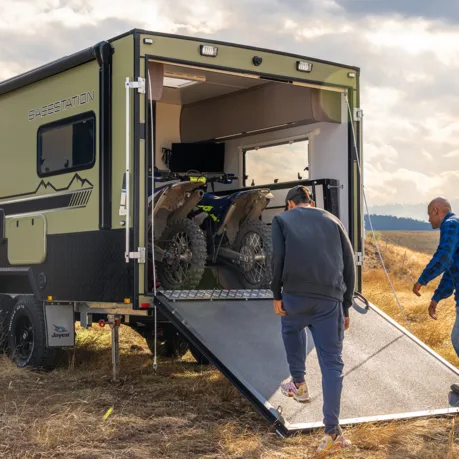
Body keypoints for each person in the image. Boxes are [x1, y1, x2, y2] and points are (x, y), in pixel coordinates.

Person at [271, 185, 356, 455]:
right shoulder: (333, 220)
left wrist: (276, 294)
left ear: (290, 204)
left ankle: (298, 382)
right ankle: (332, 432)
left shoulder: (282, 220)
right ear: (310, 202)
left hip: (295, 296)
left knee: (291, 329)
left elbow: (278, 258)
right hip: (329, 300)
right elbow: (349, 263)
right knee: (332, 364)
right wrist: (346, 305)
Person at [412, 197, 459, 393]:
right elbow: (451, 269)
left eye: (430, 215)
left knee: (458, 339)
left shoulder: (450, 224)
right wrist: (437, 297)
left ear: (436, 210)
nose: (429, 220)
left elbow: (443, 256)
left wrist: (423, 279)